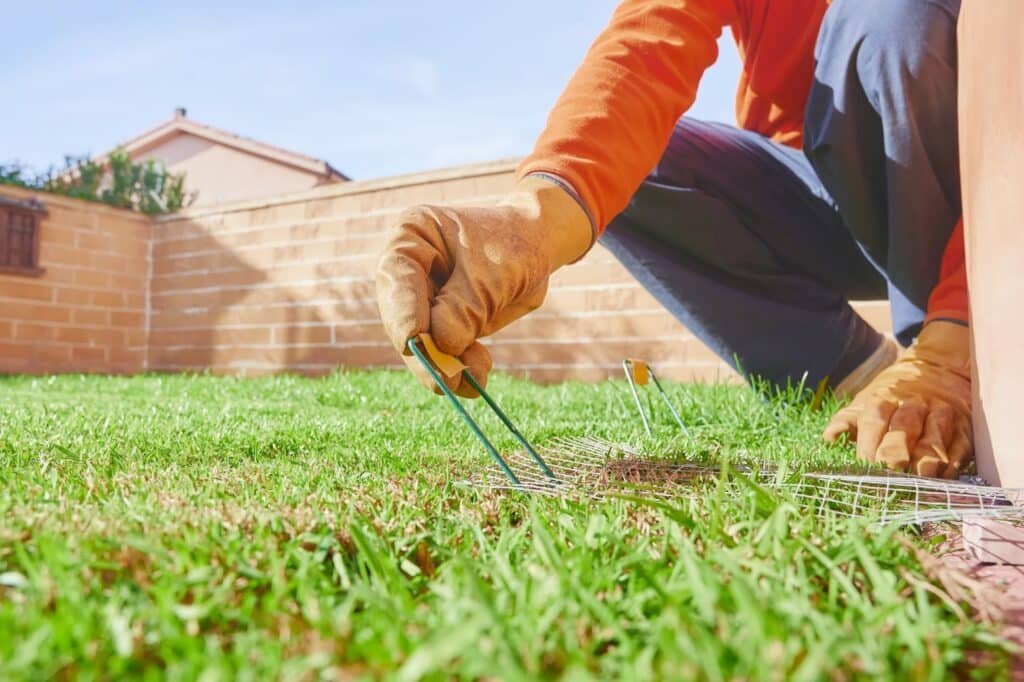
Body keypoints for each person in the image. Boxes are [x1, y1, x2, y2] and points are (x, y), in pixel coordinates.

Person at [376, 0, 970, 478]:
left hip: (966, 192)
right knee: (638, 162)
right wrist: (533, 217)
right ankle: (854, 376)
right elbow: (646, 44)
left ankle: (950, 353)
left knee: (894, 19)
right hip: (813, 191)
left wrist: (953, 340)